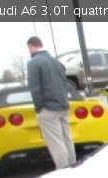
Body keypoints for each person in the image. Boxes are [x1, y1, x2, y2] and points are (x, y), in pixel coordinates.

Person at [26, 36, 76, 169]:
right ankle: (73, 167)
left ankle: (63, 171)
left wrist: (39, 108)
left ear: (31, 46)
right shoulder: (56, 62)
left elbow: (35, 88)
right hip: (63, 105)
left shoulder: (33, 63)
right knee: (67, 138)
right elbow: (64, 84)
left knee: (56, 142)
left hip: (48, 108)